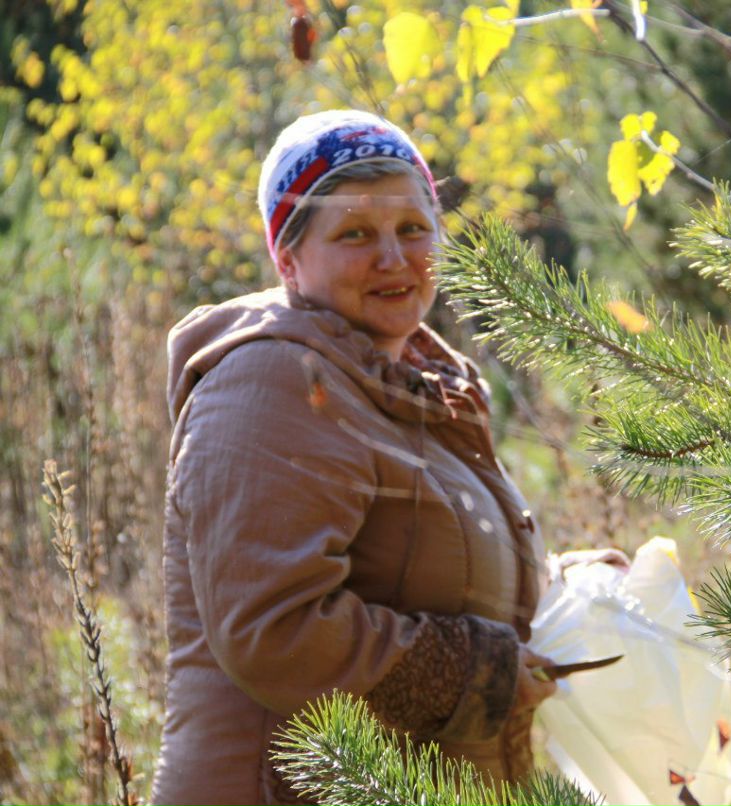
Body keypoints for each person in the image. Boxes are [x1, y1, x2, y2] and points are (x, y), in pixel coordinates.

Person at [151, 109, 571, 805]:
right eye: (354, 234)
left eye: (413, 228)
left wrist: (562, 586)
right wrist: (479, 673)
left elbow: (422, 570)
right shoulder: (274, 381)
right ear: (288, 259)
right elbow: (274, 628)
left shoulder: (415, 390)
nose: (394, 257)